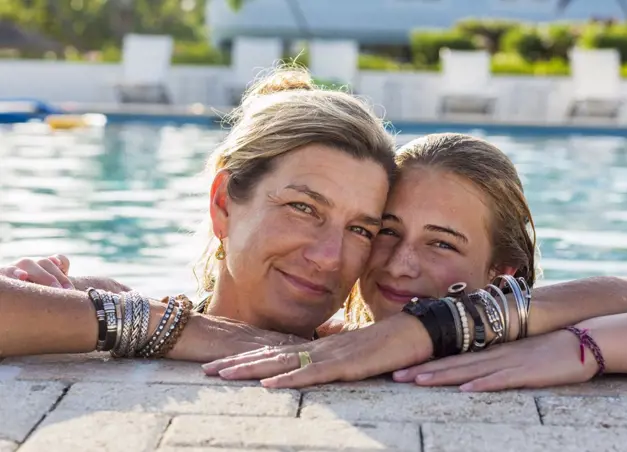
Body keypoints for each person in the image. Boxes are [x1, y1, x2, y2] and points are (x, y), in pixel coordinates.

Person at [200, 133, 627, 389]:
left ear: (503, 271)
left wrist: (581, 348)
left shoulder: (533, 345)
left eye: (442, 243)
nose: (400, 264)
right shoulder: (333, 339)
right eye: (386, 231)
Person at [0, 65, 397, 359]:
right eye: (303, 207)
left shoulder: (385, 347)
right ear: (223, 203)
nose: (329, 257)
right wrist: (163, 326)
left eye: (361, 229)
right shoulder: (126, 319)